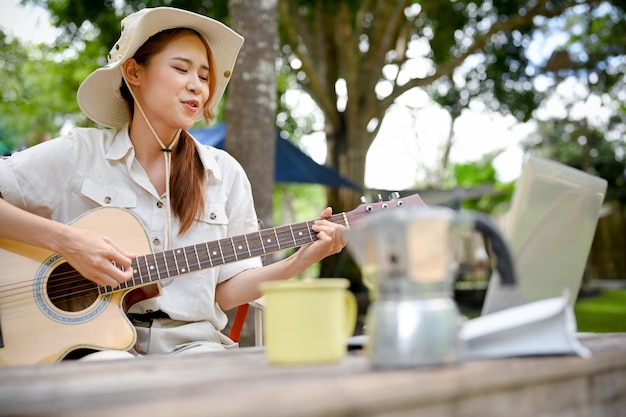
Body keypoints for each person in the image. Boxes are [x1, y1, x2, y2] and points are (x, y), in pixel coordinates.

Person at [0, 7, 346, 358]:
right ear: (134, 72)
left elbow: (224, 292)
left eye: (205, 76)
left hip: (194, 345)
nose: (197, 85)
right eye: (181, 69)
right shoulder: (79, 154)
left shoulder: (224, 174)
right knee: (109, 374)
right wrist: (67, 241)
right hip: (92, 347)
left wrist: (297, 263)